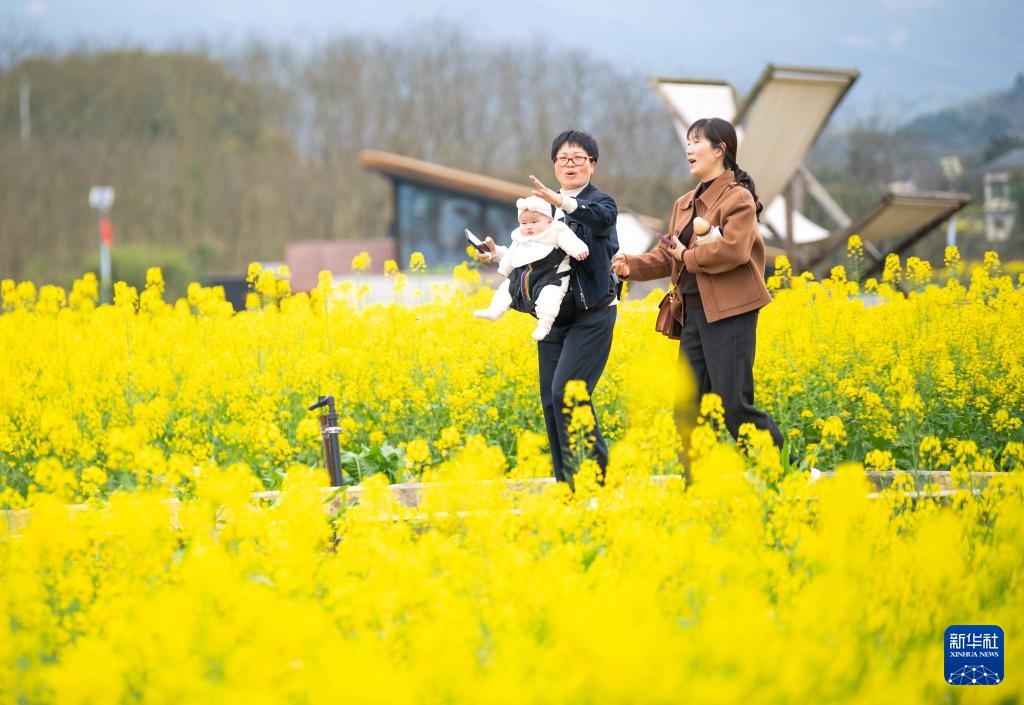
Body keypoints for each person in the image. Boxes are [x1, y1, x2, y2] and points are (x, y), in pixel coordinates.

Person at [611, 117, 788, 458]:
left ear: (720, 150)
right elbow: (669, 256)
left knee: (734, 408)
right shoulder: (684, 204)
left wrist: (688, 256)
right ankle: (699, 488)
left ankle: (789, 470)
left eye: (697, 142)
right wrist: (630, 265)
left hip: (730, 312)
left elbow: (734, 250)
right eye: (688, 142)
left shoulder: (738, 199)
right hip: (693, 312)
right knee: (688, 410)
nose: (689, 149)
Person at [476, 130, 619, 488]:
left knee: (567, 393)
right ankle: (567, 488)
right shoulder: (541, 211)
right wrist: (497, 254)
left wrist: (566, 203)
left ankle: (596, 481)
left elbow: (600, 223)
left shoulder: (600, 204)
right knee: (551, 402)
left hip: (591, 315)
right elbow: (533, 256)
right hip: (554, 318)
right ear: (554, 165)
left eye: (578, 158)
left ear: (593, 165)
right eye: (562, 159)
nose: (569, 164)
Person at [474, 195, 590, 341]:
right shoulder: (519, 237)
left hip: (551, 277)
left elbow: (569, 241)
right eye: (523, 223)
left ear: (549, 220)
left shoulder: (556, 231)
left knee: (550, 298)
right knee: (506, 289)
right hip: (524, 275)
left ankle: (544, 325)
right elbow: (511, 255)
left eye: (534, 222)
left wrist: (578, 250)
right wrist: (504, 269)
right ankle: (495, 310)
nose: (528, 226)